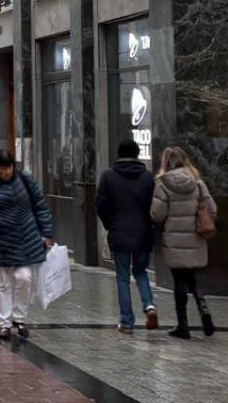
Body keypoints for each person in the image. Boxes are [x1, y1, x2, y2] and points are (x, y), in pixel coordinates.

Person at [0, 149, 56, 340]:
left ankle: (19, 317)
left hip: (25, 237)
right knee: (3, 284)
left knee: (25, 278)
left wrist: (46, 233)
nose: (7, 172)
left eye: (10, 167)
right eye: (3, 168)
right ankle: (4, 323)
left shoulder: (25, 179)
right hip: (0, 239)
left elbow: (40, 206)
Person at [151, 146, 218, 339]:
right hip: (195, 238)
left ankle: (183, 326)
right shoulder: (197, 183)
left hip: (173, 239)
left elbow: (157, 214)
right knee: (193, 279)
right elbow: (212, 209)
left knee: (179, 281)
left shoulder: (162, 184)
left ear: (165, 162)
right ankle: (204, 310)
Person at [96, 138, 159, 334]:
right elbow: (155, 207)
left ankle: (126, 322)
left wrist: (110, 225)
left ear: (119, 154)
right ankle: (149, 305)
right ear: (137, 154)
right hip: (143, 232)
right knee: (141, 272)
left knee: (122, 277)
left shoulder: (108, 176)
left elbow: (100, 205)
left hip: (119, 232)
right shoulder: (149, 177)